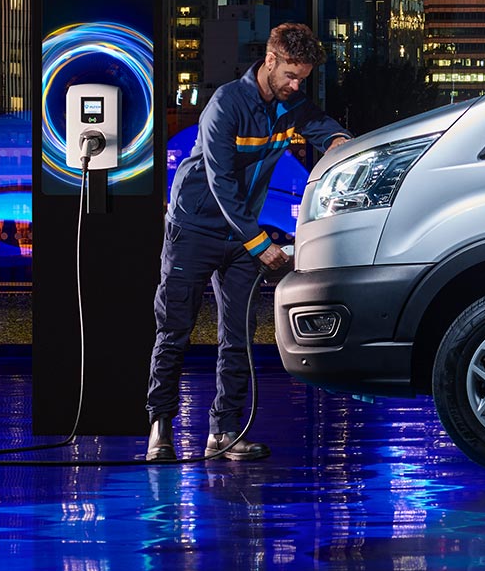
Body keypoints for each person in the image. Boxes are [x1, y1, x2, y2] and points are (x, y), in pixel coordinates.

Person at [145, 23, 350, 462]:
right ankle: (160, 430)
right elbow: (221, 183)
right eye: (291, 76)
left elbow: (325, 128)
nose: (297, 86)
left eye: (303, 79)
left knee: (236, 336)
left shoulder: (290, 103)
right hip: (194, 228)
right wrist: (260, 244)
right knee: (174, 331)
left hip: (243, 237)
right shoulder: (226, 104)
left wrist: (338, 144)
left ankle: (224, 433)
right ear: (271, 61)